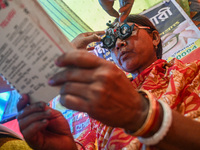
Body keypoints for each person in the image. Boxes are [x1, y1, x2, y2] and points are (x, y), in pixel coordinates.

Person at [17, 14, 200, 150]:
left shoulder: (192, 72)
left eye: (126, 31)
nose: (119, 43)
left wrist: (141, 114)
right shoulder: (106, 99)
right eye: (110, 41)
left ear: (154, 38)